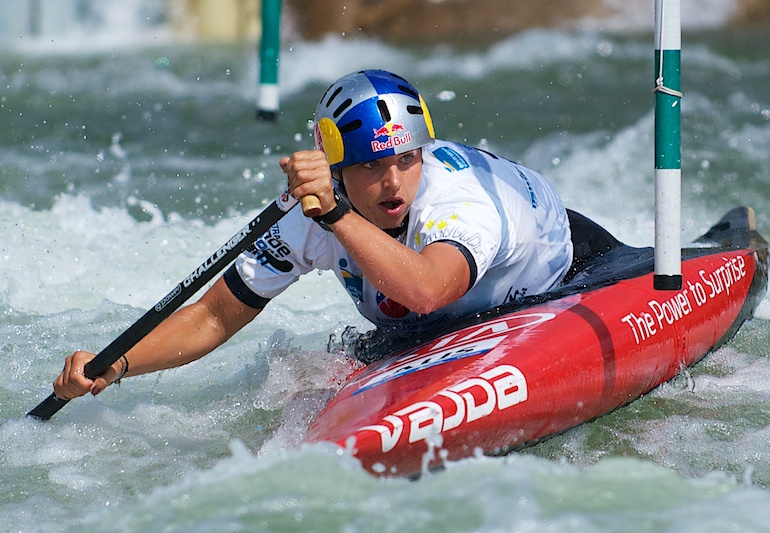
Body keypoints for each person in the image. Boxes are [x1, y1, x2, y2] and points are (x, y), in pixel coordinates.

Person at [53, 69, 574, 400]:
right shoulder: (307, 215)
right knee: (292, 380)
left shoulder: (457, 198)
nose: (393, 183)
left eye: (406, 160)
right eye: (371, 166)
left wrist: (333, 215)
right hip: (437, 324)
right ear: (337, 168)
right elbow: (213, 316)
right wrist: (114, 365)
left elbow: (429, 290)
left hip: (564, 280)